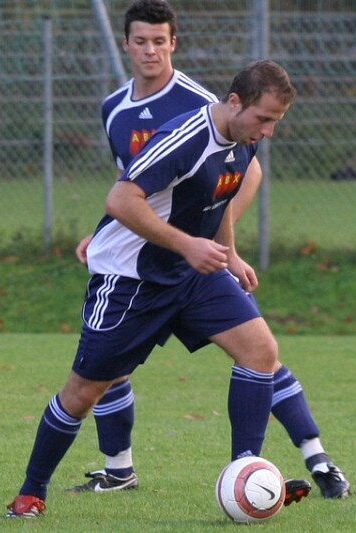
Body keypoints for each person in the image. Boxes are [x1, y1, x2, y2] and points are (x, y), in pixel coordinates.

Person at [5, 60, 338, 519]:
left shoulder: (244, 139)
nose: (268, 131)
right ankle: (31, 493)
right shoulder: (185, 137)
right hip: (131, 281)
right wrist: (187, 244)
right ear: (234, 102)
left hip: (191, 274)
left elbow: (221, 195)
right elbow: (120, 199)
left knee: (260, 351)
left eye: (276, 122)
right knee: (82, 393)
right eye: (264, 118)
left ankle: (246, 471)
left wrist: (229, 252)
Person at [70, 0, 350, 503]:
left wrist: (221, 243)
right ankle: (118, 470)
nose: (151, 51)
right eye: (141, 41)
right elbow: (131, 185)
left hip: (197, 262)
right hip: (144, 262)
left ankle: (317, 458)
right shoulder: (114, 107)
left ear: (173, 43)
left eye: (160, 41)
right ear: (126, 44)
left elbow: (242, 174)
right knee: (112, 365)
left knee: (258, 352)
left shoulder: (204, 102)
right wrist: (104, 232)